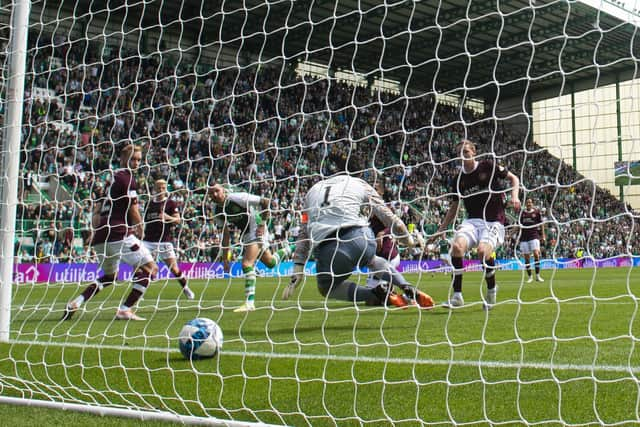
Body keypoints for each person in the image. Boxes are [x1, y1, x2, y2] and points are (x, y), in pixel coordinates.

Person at [281, 174, 434, 309]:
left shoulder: (312, 191)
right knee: (373, 260)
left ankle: (375, 293)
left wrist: (298, 269)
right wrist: (409, 241)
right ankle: (406, 286)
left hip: (329, 248)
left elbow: (304, 233)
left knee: (326, 288)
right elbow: (390, 218)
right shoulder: (358, 183)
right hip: (362, 237)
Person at [62, 144, 158, 321]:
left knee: (109, 276)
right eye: (133, 159)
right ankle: (125, 309)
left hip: (101, 237)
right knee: (152, 268)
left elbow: (97, 210)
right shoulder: (128, 179)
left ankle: (76, 302)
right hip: (119, 233)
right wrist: (142, 228)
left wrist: (95, 230)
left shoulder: (111, 179)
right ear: (123, 159)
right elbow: (133, 209)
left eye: (138, 159)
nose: (136, 163)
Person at [432, 139, 521, 309]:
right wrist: (441, 229)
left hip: (494, 220)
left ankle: (492, 290)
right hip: (472, 221)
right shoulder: (458, 180)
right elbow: (454, 206)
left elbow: (514, 179)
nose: (463, 155)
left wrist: (514, 196)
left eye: (466, 152)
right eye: (460, 153)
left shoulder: (487, 166)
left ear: (473, 152)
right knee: (457, 248)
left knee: (482, 251)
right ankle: (457, 296)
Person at [208, 183, 295, 313]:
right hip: (246, 233)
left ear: (223, 190)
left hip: (257, 228)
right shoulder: (216, 210)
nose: (215, 194)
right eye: (211, 193)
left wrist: (262, 224)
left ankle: (249, 303)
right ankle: (295, 247)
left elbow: (265, 201)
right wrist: (225, 258)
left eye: (217, 191)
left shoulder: (238, 198)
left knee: (246, 263)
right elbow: (225, 235)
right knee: (271, 262)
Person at [142, 179, 195, 299]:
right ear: (154, 188)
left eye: (163, 187)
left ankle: (186, 288)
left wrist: (166, 217)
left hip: (164, 240)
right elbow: (145, 221)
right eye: (158, 187)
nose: (161, 190)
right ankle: (140, 291)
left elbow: (178, 220)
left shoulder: (170, 203)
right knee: (140, 265)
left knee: (174, 269)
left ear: (166, 189)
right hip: (148, 240)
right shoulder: (148, 204)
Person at [518, 198, 546, 283]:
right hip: (524, 237)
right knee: (527, 258)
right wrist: (511, 233)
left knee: (536, 254)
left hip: (534, 236)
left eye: (530, 202)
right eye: (527, 202)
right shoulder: (522, 214)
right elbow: (518, 225)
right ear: (526, 204)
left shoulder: (536, 213)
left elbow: (541, 224)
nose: (529, 204)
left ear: (532, 203)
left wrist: (543, 235)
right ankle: (530, 277)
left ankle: (538, 276)